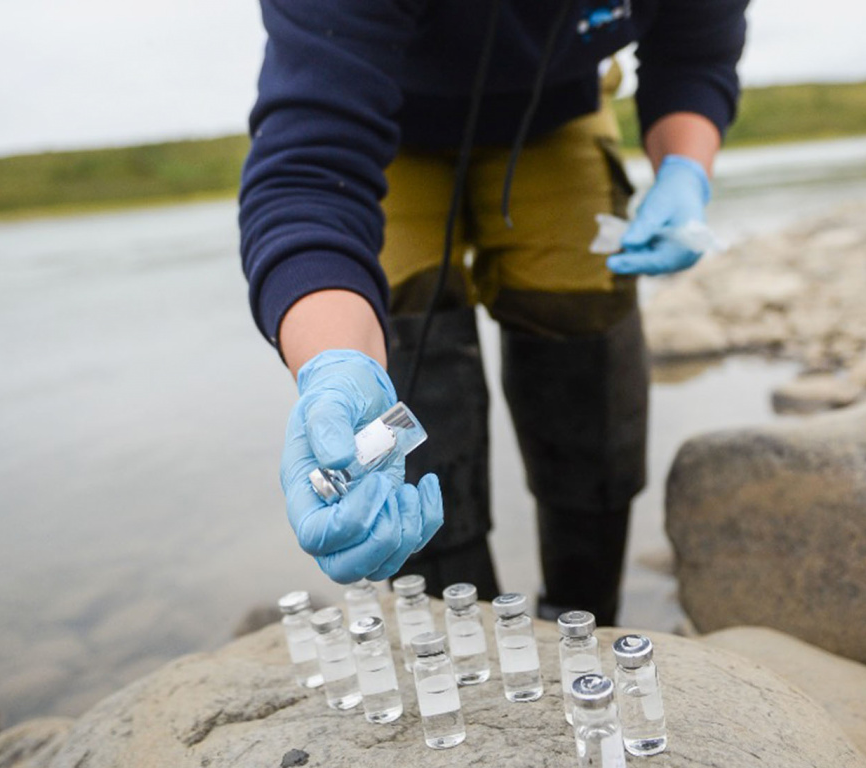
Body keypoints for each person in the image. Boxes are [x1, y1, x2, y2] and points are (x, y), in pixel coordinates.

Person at [239, 0, 748, 625]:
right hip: (387, 123)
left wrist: (685, 172)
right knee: (405, 349)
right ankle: (464, 638)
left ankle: (586, 619)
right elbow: (310, 175)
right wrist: (334, 364)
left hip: (558, 111)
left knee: (581, 311)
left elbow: (694, 51)